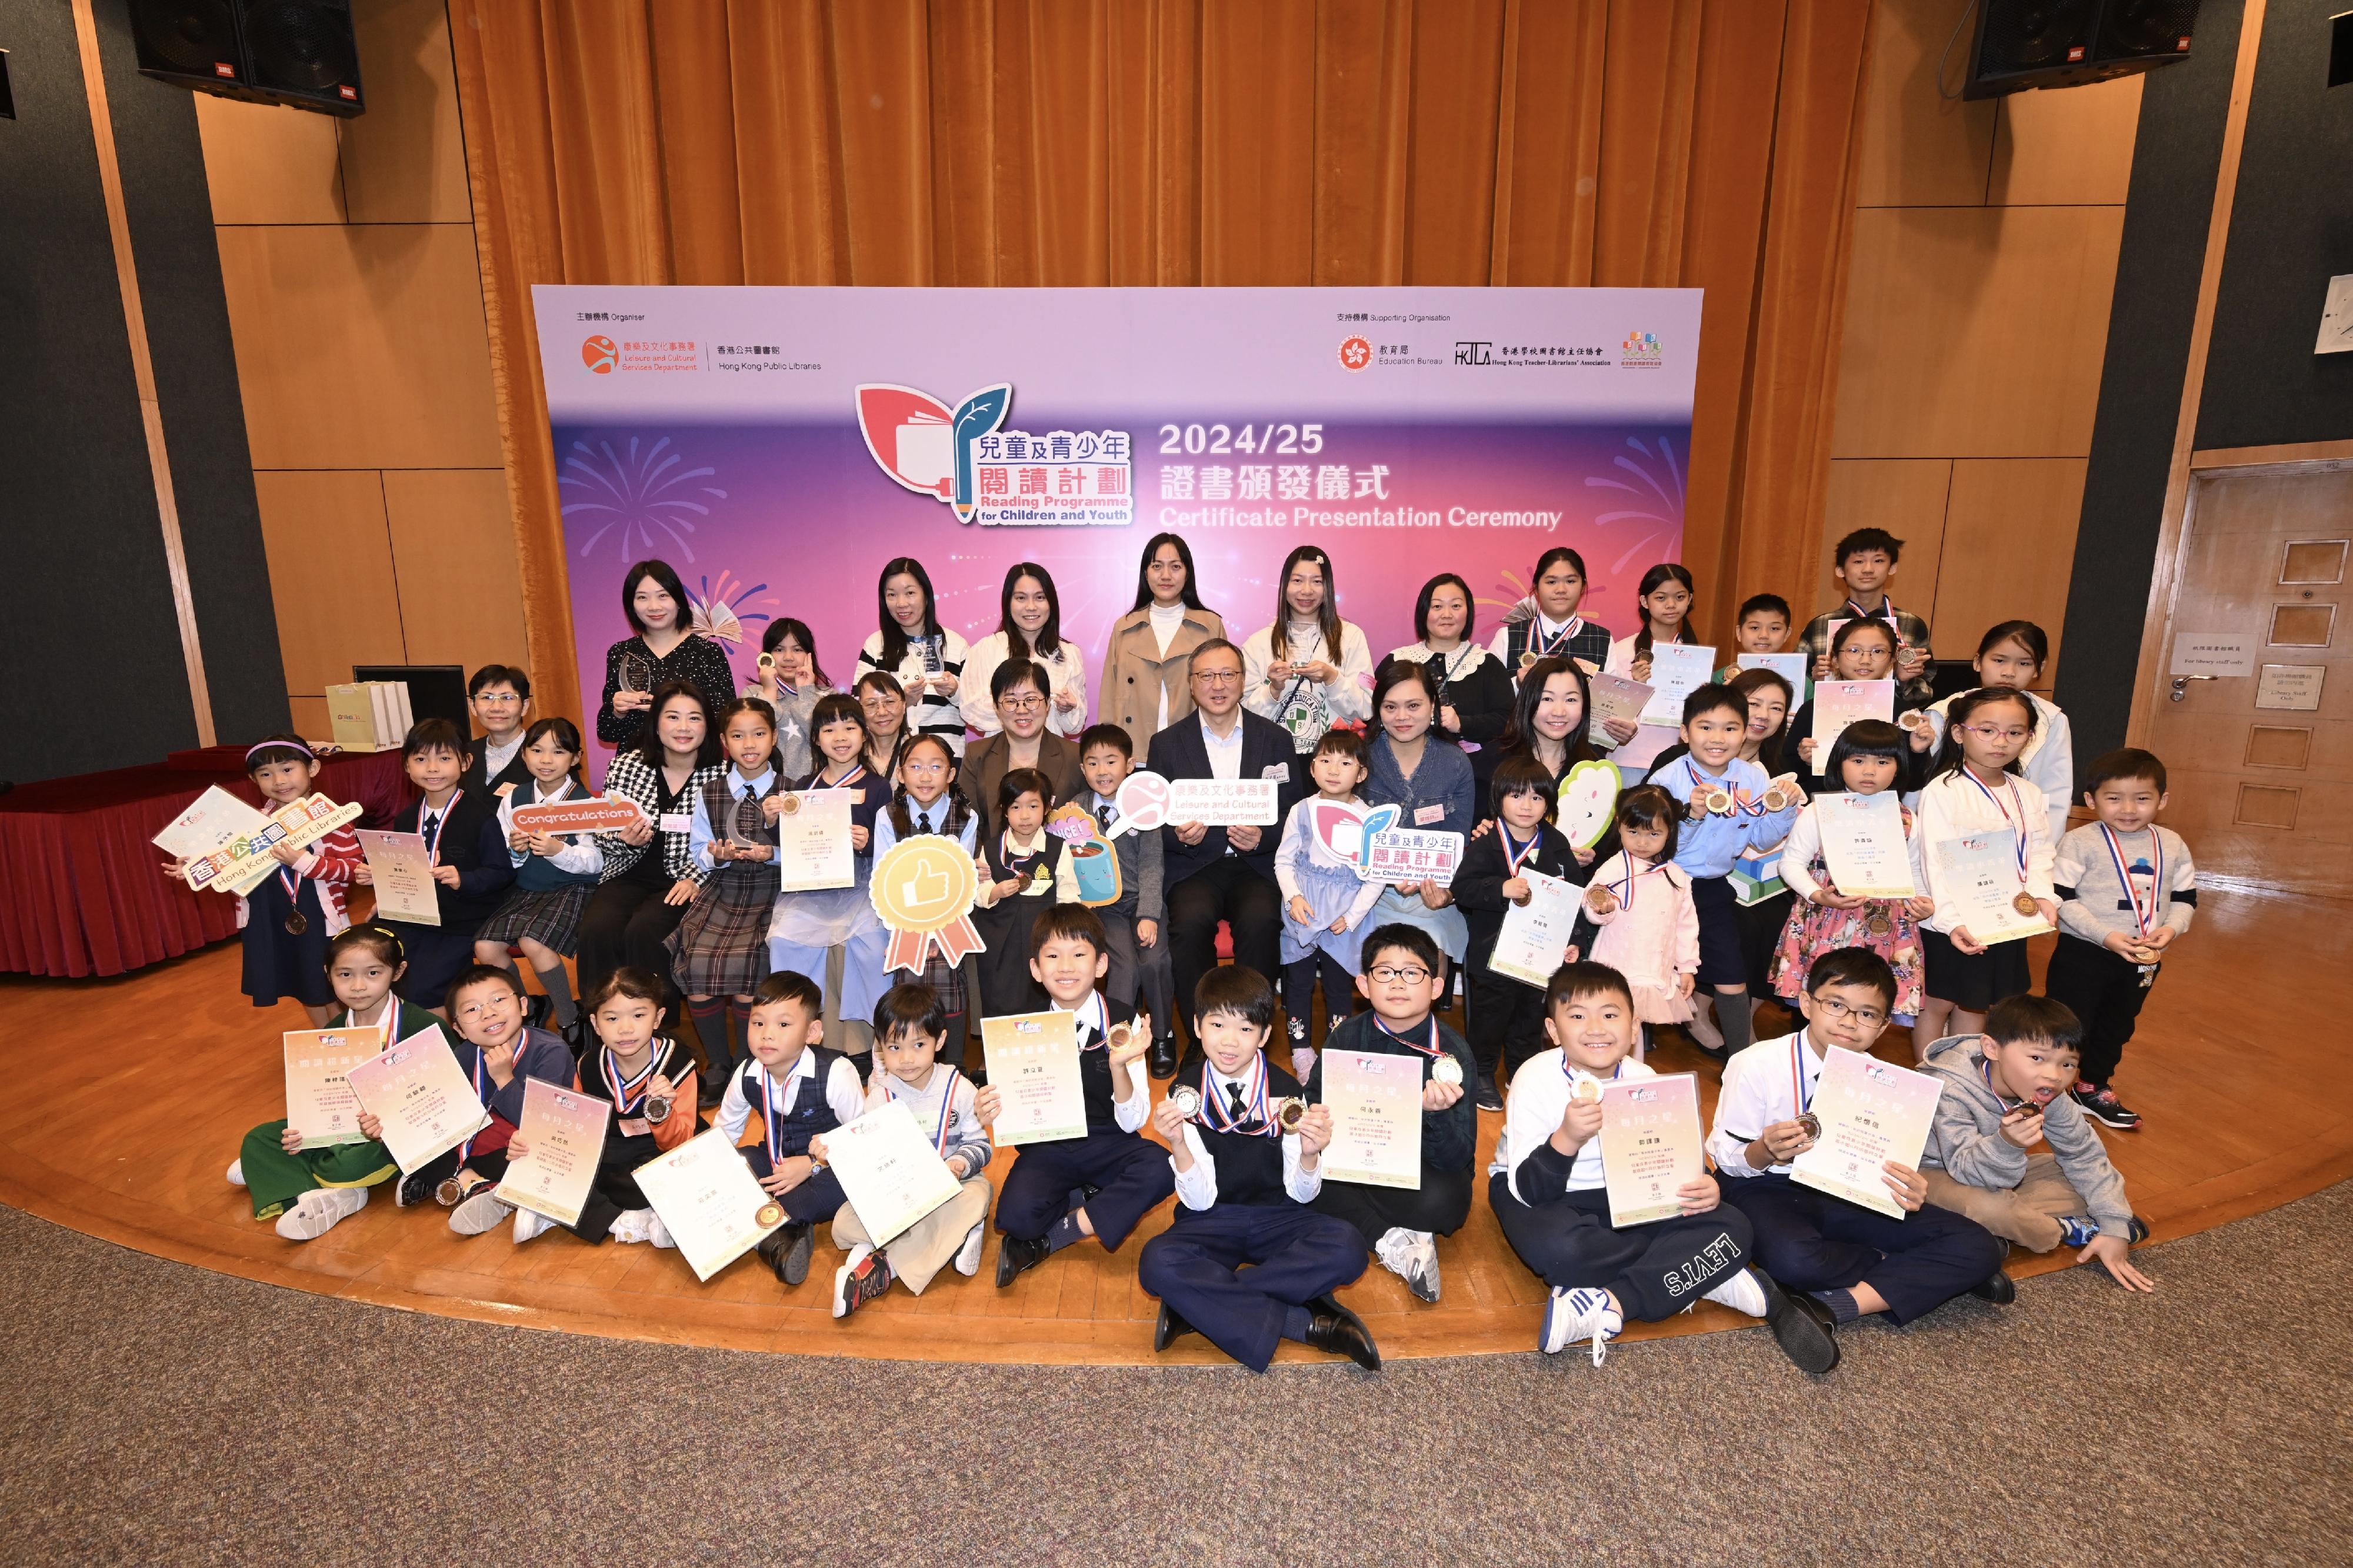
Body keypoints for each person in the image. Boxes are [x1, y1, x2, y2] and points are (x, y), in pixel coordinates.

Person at [1489, 960, 1815, 1367]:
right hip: (1547, 1195)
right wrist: (1566, 1140)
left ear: (1633, 1025)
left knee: (1735, 1227)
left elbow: (1682, 1165)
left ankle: (1612, 1301)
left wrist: (1706, 1185)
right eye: (1577, 1016)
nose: (1595, 1028)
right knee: (1564, 1252)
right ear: (1553, 1030)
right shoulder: (1535, 1077)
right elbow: (1529, 1191)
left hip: (1630, 1197)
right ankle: (1694, 1273)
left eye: (1610, 1015)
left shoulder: (1643, 1076)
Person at [1708, 947, 2012, 1372]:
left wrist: (1911, 1186)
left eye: (1868, 1014)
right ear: (1809, 1002)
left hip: (1847, 1186)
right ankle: (1913, 1269)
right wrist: (1764, 1150)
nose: (1850, 1022)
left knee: (1978, 1245)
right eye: (1836, 1005)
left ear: (1884, 1025)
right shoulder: (1755, 1064)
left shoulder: (1886, 1082)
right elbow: (1727, 1159)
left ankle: (1837, 1305)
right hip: (1765, 1185)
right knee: (1796, 1259)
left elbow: (1889, 1162)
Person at [1136, 965, 1381, 1372]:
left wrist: (1308, 1153)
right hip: (1213, 1217)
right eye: (1217, 1024)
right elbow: (1199, 1200)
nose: (1230, 1042)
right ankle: (1306, 1324)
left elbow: (1302, 1194)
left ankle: (1195, 1307)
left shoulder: (1287, 1090)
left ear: (1265, 1035)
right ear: (1197, 1026)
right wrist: (1178, 1143)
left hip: (1278, 1218)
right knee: (1156, 1262)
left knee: (1349, 1247)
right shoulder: (1186, 1090)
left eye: (1246, 1029)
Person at [991, 905, 1176, 1287]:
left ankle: (1059, 1234)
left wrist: (1119, 1067)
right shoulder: (1019, 1026)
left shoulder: (1124, 1021)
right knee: (1014, 1219)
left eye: (1079, 955)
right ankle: (1087, 1194)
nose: (1066, 967)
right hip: (1049, 1147)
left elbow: (1132, 1122)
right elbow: (1017, 1115)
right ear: (1035, 969)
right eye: (1052, 956)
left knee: (1162, 1167)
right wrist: (992, 1108)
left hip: (1109, 1141)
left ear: (1101, 965)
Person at [1919, 994, 2155, 1290]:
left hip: (2000, 1172)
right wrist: (2007, 1144)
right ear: (1992, 1048)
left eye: (2068, 1064)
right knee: (1989, 1208)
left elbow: (2084, 1156)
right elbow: (1963, 1169)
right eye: (2037, 1058)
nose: (2054, 1076)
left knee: (2079, 1174)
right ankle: (2056, 1229)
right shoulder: (1950, 1088)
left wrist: (2114, 1227)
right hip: (1933, 1171)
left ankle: (1996, 1233)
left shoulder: (2047, 1091)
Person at [1144, 638, 1299, 1076]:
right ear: (1192, 685)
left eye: (1228, 674)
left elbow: (1294, 811)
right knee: (1190, 923)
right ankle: (1202, 1038)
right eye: (1206, 676)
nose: (1218, 685)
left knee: (1262, 920)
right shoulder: (1167, 744)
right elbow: (1153, 819)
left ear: (1243, 680)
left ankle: (1250, 1032)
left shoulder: (1275, 739)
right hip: (1196, 864)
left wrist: (1263, 835)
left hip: (1254, 864)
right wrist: (1178, 832)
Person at [1304, 925, 1479, 1302]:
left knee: (1447, 1204)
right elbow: (1313, 1105)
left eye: (1412, 972)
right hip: (1355, 1156)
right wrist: (1316, 1128)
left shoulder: (1452, 1054)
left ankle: (1380, 1226)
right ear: (1364, 985)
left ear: (1435, 987)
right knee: (1297, 1174)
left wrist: (1433, 1113)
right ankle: (1393, 1239)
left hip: (1422, 1166)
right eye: (1384, 972)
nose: (1397, 983)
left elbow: (1458, 1157)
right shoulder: (1346, 1037)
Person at [226, 925, 431, 1239]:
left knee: (350, 1164)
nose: (359, 986)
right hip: (342, 1126)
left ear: (398, 971)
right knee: (261, 1138)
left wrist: (387, 1125)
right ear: (328, 974)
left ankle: (292, 1175)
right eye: (345, 975)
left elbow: (446, 1098)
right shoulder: (333, 1030)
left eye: (373, 973)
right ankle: (313, 1198)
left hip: (393, 1135)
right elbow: (318, 1098)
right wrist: (305, 1127)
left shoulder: (423, 1025)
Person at [158, 735, 360, 1027]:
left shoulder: (331, 818)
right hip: (271, 916)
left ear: (313, 768)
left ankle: (351, 1044)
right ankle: (327, 1040)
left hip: (319, 917)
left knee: (331, 985)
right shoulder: (252, 824)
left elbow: (352, 869)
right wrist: (196, 866)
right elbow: (229, 863)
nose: (279, 780)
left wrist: (303, 861)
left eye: (288, 769)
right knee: (301, 982)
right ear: (254, 780)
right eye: (266, 774)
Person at [1644, 686, 1800, 1062]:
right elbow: (1654, 845)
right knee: (1647, 969)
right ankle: (1634, 1056)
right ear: (1685, 733)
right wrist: (1691, 816)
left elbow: (1762, 839)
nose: (1718, 739)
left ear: (1745, 733)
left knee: (1733, 977)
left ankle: (1742, 1065)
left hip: (1713, 889)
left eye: (1730, 729)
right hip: (1664, 883)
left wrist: (1783, 808)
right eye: (1706, 727)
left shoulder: (1753, 777)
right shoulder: (1667, 780)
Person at [2044, 747, 2196, 1130]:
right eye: (2114, 798)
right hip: (2085, 951)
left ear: (2163, 800)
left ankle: (2092, 1087)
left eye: (2142, 798)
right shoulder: (2080, 842)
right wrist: (2105, 935)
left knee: (2118, 1023)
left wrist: (2172, 928)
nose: (2128, 808)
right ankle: (2042, 1089)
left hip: (2143, 955)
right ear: (2092, 801)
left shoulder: (2173, 844)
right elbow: (2063, 899)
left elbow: (2185, 899)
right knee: (2068, 1023)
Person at [831, 982, 997, 1317]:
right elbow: (869, 1154)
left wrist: (959, 1164)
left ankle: (884, 1266)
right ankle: (954, 1238)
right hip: (901, 1192)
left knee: (978, 1197)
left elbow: (980, 1146)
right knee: (841, 1224)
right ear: (880, 1048)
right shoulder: (879, 1096)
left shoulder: (960, 1088)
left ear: (940, 1042)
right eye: (894, 1047)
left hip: (954, 1185)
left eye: (918, 1045)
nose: (906, 1059)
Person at [1909, 688, 2059, 1047]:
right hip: (1953, 920)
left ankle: (1963, 1080)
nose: (2001, 742)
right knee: (1938, 1002)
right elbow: (1936, 863)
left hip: (2004, 917)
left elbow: (2038, 851)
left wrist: (2042, 896)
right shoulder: (1942, 791)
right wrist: (1950, 921)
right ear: (1960, 734)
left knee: (1978, 1002)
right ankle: (1932, 1077)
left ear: (2029, 738)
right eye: (1987, 730)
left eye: (2015, 732)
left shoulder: (2029, 792)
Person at [512, 967, 699, 1247]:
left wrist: (664, 1115)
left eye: (639, 1015)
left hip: (659, 1151)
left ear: (658, 1017)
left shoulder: (678, 1064)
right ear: (596, 1024)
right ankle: (627, 1220)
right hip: (607, 1150)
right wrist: (536, 1146)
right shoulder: (588, 1065)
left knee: (679, 1176)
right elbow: (574, 1132)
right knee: (550, 1168)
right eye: (612, 1018)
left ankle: (567, 1211)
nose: (625, 1028)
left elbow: (681, 1141)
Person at [1768, 720, 1935, 1023]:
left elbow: (1913, 868)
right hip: (1825, 919)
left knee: (1870, 1004)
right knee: (1821, 999)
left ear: (1899, 767)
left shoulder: (1908, 818)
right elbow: (1791, 863)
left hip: (1884, 925)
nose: (1869, 771)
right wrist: (1818, 895)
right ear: (1839, 763)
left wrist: (1923, 901)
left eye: (1883, 762)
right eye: (1858, 761)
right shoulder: (1821, 811)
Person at [668, 698, 788, 1106]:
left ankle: (743, 1061)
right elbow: (698, 848)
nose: (749, 744)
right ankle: (718, 1062)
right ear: (724, 742)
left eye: (758, 734)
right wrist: (714, 856)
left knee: (750, 962)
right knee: (696, 955)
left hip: (776, 888)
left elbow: (811, 851)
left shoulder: (794, 790)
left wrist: (772, 853)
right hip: (727, 887)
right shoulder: (712, 792)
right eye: (738, 735)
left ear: (774, 737)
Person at [711, 969, 865, 1288]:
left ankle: (767, 1228)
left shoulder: (836, 1072)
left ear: (812, 1032)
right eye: (758, 1023)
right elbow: (722, 1136)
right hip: (776, 1163)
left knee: (842, 1187)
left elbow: (863, 1138)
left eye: (783, 1025)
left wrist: (813, 1164)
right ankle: (783, 1234)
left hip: (830, 1167)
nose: (767, 1035)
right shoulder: (746, 1073)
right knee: (737, 1161)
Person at [576, 682, 724, 1006]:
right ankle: (600, 1017)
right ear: (656, 724)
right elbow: (602, 831)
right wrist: (623, 841)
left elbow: (726, 845)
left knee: (645, 932)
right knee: (598, 930)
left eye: (694, 718)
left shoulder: (723, 775)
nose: (683, 727)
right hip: (627, 872)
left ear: (708, 727)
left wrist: (696, 880)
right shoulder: (627, 765)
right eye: (673, 717)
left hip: (685, 878)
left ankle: (657, 1026)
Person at [1454, 753, 1587, 1109]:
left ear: (1549, 803)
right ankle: (1481, 1073)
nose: (1526, 805)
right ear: (1499, 798)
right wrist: (1499, 888)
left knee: (1531, 1015)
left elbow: (1574, 901)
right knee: (1491, 1014)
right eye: (1516, 796)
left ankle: (1522, 1070)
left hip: (1542, 957)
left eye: (1537, 797)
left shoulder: (1558, 847)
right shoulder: (1486, 844)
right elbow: (1463, 889)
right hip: (1494, 953)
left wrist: (1574, 942)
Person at [767, 693, 888, 1072]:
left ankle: (868, 1044)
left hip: (861, 887)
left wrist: (868, 842)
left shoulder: (879, 786)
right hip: (811, 891)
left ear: (864, 735)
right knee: (786, 937)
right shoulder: (801, 788)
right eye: (829, 728)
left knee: (870, 943)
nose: (840, 736)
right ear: (815, 739)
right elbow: (784, 845)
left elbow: (889, 846)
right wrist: (774, 819)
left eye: (850, 727)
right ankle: (797, 1033)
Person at [366, 718, 514, 1014]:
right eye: (420, 759)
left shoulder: (480, 817)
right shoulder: (406, 819)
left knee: (423, 986)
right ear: (406, 766)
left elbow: (502, 873)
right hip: (414, 913)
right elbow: (401, 872)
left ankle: (441, 1036)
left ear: (465, 762)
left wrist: (465, 879)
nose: (432, 768)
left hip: (462, 918)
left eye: (444, 759)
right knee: (370, 957)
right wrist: (381, 884)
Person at [428, 964, 581, 1236]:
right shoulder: (463, 1055)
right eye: (472, 1009)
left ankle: (462, 1181)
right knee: (413, 1135)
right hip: (487, 1144)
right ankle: (475, 1184)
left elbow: (544, 1126)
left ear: (523, 1006)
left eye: (498, 1000)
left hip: (532, 1144)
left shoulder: (551, 1051)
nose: (489, 1013)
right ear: (459, 1029)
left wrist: (504, 1079)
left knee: (530, 1153)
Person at [471, 717, 601, 1039]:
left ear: (575, 758)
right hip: (526, 889)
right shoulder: (514, 800)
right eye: (537, 750)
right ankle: (528, 1005)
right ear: (524, 756)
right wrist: (516, 851)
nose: (546, 760)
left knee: (533, 941)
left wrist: (557, 850)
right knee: (485, 947)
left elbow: (596, 863)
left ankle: (571, 1019)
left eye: (558, 752)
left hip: (572, 888)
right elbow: (506, 858)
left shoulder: (587, 803)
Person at [1358, 659, 1475, 1000]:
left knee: (1423, 962)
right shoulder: (1360, 757)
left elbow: (1458, 842)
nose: (1402, 717)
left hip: (1432, 896)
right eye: (1390, 707)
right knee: (1381, 961)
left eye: (1414, 705)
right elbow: (1349, 839)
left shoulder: (1456, 763)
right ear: (1378, 710)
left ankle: (1421, 1044)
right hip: (1368, 895)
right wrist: (1383, 877)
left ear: (1433, 707)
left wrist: (1445, 892)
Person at [1274, 726, 1385, 1071]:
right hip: (1303, 911)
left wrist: (1351, 917)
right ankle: (1301, 1050)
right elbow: (1284, 860)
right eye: (1325, 760)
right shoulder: (1302, 810)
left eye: (1345, 762)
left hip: (1344, 917)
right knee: (1299, 984)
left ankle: (1336, 1050)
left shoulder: (1370, 819)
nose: (1334, 770)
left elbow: (1376, 876)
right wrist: (1293, 898)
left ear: (1362, 772)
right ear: (1312, 767)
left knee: (1339, 988)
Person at [863, 735, 979, 1063]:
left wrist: (936, 934)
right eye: (915, 767)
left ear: (951, 774)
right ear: (901, 774)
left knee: (949, 974)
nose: (925, 776)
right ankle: (909, 1065)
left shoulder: (966, 817)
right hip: (904, 916)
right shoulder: (888, 815)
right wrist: (911, 932)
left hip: (950, 915)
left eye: (935, 767)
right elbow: (885, 878)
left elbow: (962, 881)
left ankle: (953, 1066)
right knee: (908, 979)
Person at [1914, 621, 2073, 847]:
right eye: (1999, 660)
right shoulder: (1943, 712)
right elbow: (1920, 783)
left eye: (2024, 663)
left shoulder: (2052, 719)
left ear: (2040, 667)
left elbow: (2056, 795)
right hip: (1949, 834)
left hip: (2018, 839)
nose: (2009, 672)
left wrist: (2041, 852)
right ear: (1978, 661)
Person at [1056, 723, 1166, 1025]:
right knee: (1124, 966)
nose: (1102, 771)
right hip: (1104, 908)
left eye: (1111, 761)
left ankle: (1162, 1035)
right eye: (1092, 763)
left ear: (1130, 765)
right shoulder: (1076, 809)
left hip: (1143, 901)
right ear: (1083, 768)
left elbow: (1152, 863)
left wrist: (1149, 915)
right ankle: (1117, 1034)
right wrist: (1064, 826)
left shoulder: (1144, 806)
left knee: (1156, 962)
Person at [1579, 785, 1698, 1054]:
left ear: (1669, 833)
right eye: (1633, 832)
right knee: (1612, 1024)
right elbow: (1591, 906)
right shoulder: (1613, 868)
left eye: (1654, 834)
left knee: (1637, 1028)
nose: (1642, 843)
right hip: (1618, 962)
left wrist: (1687, 966)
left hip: (1656, 966)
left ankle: (1635, 1078)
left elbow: (1686, 925)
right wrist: (1603, 909)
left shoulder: (1676, 875)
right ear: (1620, 826)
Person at [1242, 544, 1372, 764]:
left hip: (1335, 765)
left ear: (1328, 587)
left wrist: (1333, 679)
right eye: (1297, 580)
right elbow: (1243, 720)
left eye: (1317, 581)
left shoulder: (1351, 637)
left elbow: (1366, 710)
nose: (1306, 590)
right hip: (1273, 762)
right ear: (1284, 585)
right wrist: (1272, 689)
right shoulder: (1258, 643)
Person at [1102, 532, 1227, 755]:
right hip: (1134, 751)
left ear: (1188, 573)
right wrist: (1108, 753)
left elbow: (1225, 690)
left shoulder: (1210, 626)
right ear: (1145, 573)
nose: (1166, 575)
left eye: (1176, 567)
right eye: (1157, 566)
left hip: (1194, 748)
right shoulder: (1124, 627)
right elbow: (1109, 697)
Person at [596, 559, 736, 752]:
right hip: (636, 770)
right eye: (642, 598)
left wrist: (669, 710)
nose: (654, 606)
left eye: (663, 596)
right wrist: (618, 711)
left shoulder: (708, 652)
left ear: (678, 601)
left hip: (696, 767)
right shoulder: (621, 653)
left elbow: (727, 721)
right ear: (632, 606)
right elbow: (606, 732)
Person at [1789, 618, 1933, 795]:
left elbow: (1915, 784)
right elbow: (1789, 775)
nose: (1865, 660)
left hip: (1882, 811)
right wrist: (1804, 760)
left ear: (1892, 660)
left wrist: (1918, 752)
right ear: (1834, 658)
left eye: (1878, 651)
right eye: (1854, 651)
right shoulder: (1812, 710)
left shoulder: (1905, 714)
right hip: (1823, 809)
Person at [1379, 572, 1513, 755]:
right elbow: (1373, 714)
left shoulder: (1486, 664)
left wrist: (1461, 723)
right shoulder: (1398, 660)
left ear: (1469, 612)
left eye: (1456, 606)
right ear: (1424, 611)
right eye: (1437, 606)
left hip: (1473, 773)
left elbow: (1506, 720)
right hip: (1401, 766)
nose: (1447, 614)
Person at [1799, 528, 1934, 708]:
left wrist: (1903, 680)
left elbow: (1925, 694)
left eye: (1878, 561)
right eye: (1858, 561)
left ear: (1892, 568)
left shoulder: (1911, 624)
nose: (1868, 569)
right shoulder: (1821, 625)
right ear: (1840, 570)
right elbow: (1793, 687)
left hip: (1888, 727)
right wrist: (1814, 680)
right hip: (1832, 720)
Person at [854, 556, 968, 756]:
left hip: (946, 760)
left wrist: (955, 692)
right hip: (890, 759)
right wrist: (900, 702)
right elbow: (857, 707)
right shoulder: (875, 645)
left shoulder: (956, 645)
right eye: (892, 595)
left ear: (926, 595)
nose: (901, 603)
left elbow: (978, 709)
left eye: (910, 593)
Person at [962, 562, 1088, 740]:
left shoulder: (1069, 653)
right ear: (1008, 603)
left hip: (1050, 757)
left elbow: (1075, 727)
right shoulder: (985, 650)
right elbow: (970, 710)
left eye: (1040, 597)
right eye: (1021, 598)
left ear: (1051, 603)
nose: (1031, 607)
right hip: (1001, 756)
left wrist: (1065, 708)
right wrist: (1026, 704)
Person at [971, 766, 1059, 1018]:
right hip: (1000, 935)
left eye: (1033, 806)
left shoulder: (1057, 848)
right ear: (1005, 810)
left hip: (1043, 935)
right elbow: (979, 890)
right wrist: (996, 891)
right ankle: (1000, 1052)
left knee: (1042, 992)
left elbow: (1067, 894)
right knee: (999, 992)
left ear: (1046, 809)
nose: (1024, 816)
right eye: (1016, 807)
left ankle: (1042, 1050)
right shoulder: (991, 848)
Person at [959, 658, 1082, 816]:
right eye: (1011, 701)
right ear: (996, 707)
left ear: (1048, 703)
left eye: (1031, 699)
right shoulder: (976, 755)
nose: (1022, 710)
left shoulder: (1075, 756)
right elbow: (967, 822)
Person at [1477, 655, 1603, 807]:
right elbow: (1480, 819)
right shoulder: (1495, 758)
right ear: (1528, 701)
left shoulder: (1595, 765)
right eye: (1547, 699)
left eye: (1571, 700)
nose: (1559, 712)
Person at [1487, 546, 1611, 676]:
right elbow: (1488, 693)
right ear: (1536, 588)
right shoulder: (1507, 637)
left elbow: (1612, 696)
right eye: (1551, 582)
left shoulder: (1603, 640)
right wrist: (1518, 684)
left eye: (1570, 581)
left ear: (1583, 587)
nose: (1561, 589)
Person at [745, 617, 831, 783]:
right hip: (766, 789)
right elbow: (754, 737)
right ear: (766, 656)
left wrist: (806, 693)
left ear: (809, 655)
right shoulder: (752, 695)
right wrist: (769, 691)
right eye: (779, 650)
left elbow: (820, 737)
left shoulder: (829, 697)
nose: (788, 657)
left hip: (816, 790)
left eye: (797, 650)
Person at [460, 663, 534, 797]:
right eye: (487, 698)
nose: (497, 708)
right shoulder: (463, 755)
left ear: (524, 707)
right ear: (472, 706)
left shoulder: (548, 754)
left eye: (507, 698)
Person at [1717, 594, 1793, 682]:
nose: (1764, 635)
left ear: (1787, 634)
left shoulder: (1801, 680)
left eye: (1774, 628)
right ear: (1739, 632)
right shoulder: (1719, 679)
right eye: (1755, 628)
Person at [854, 670, 911, 780]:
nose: (882, 712)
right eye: (871, 704)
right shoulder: (851, 758)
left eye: (890, 702)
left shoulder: (921, 753)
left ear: (904, 706)